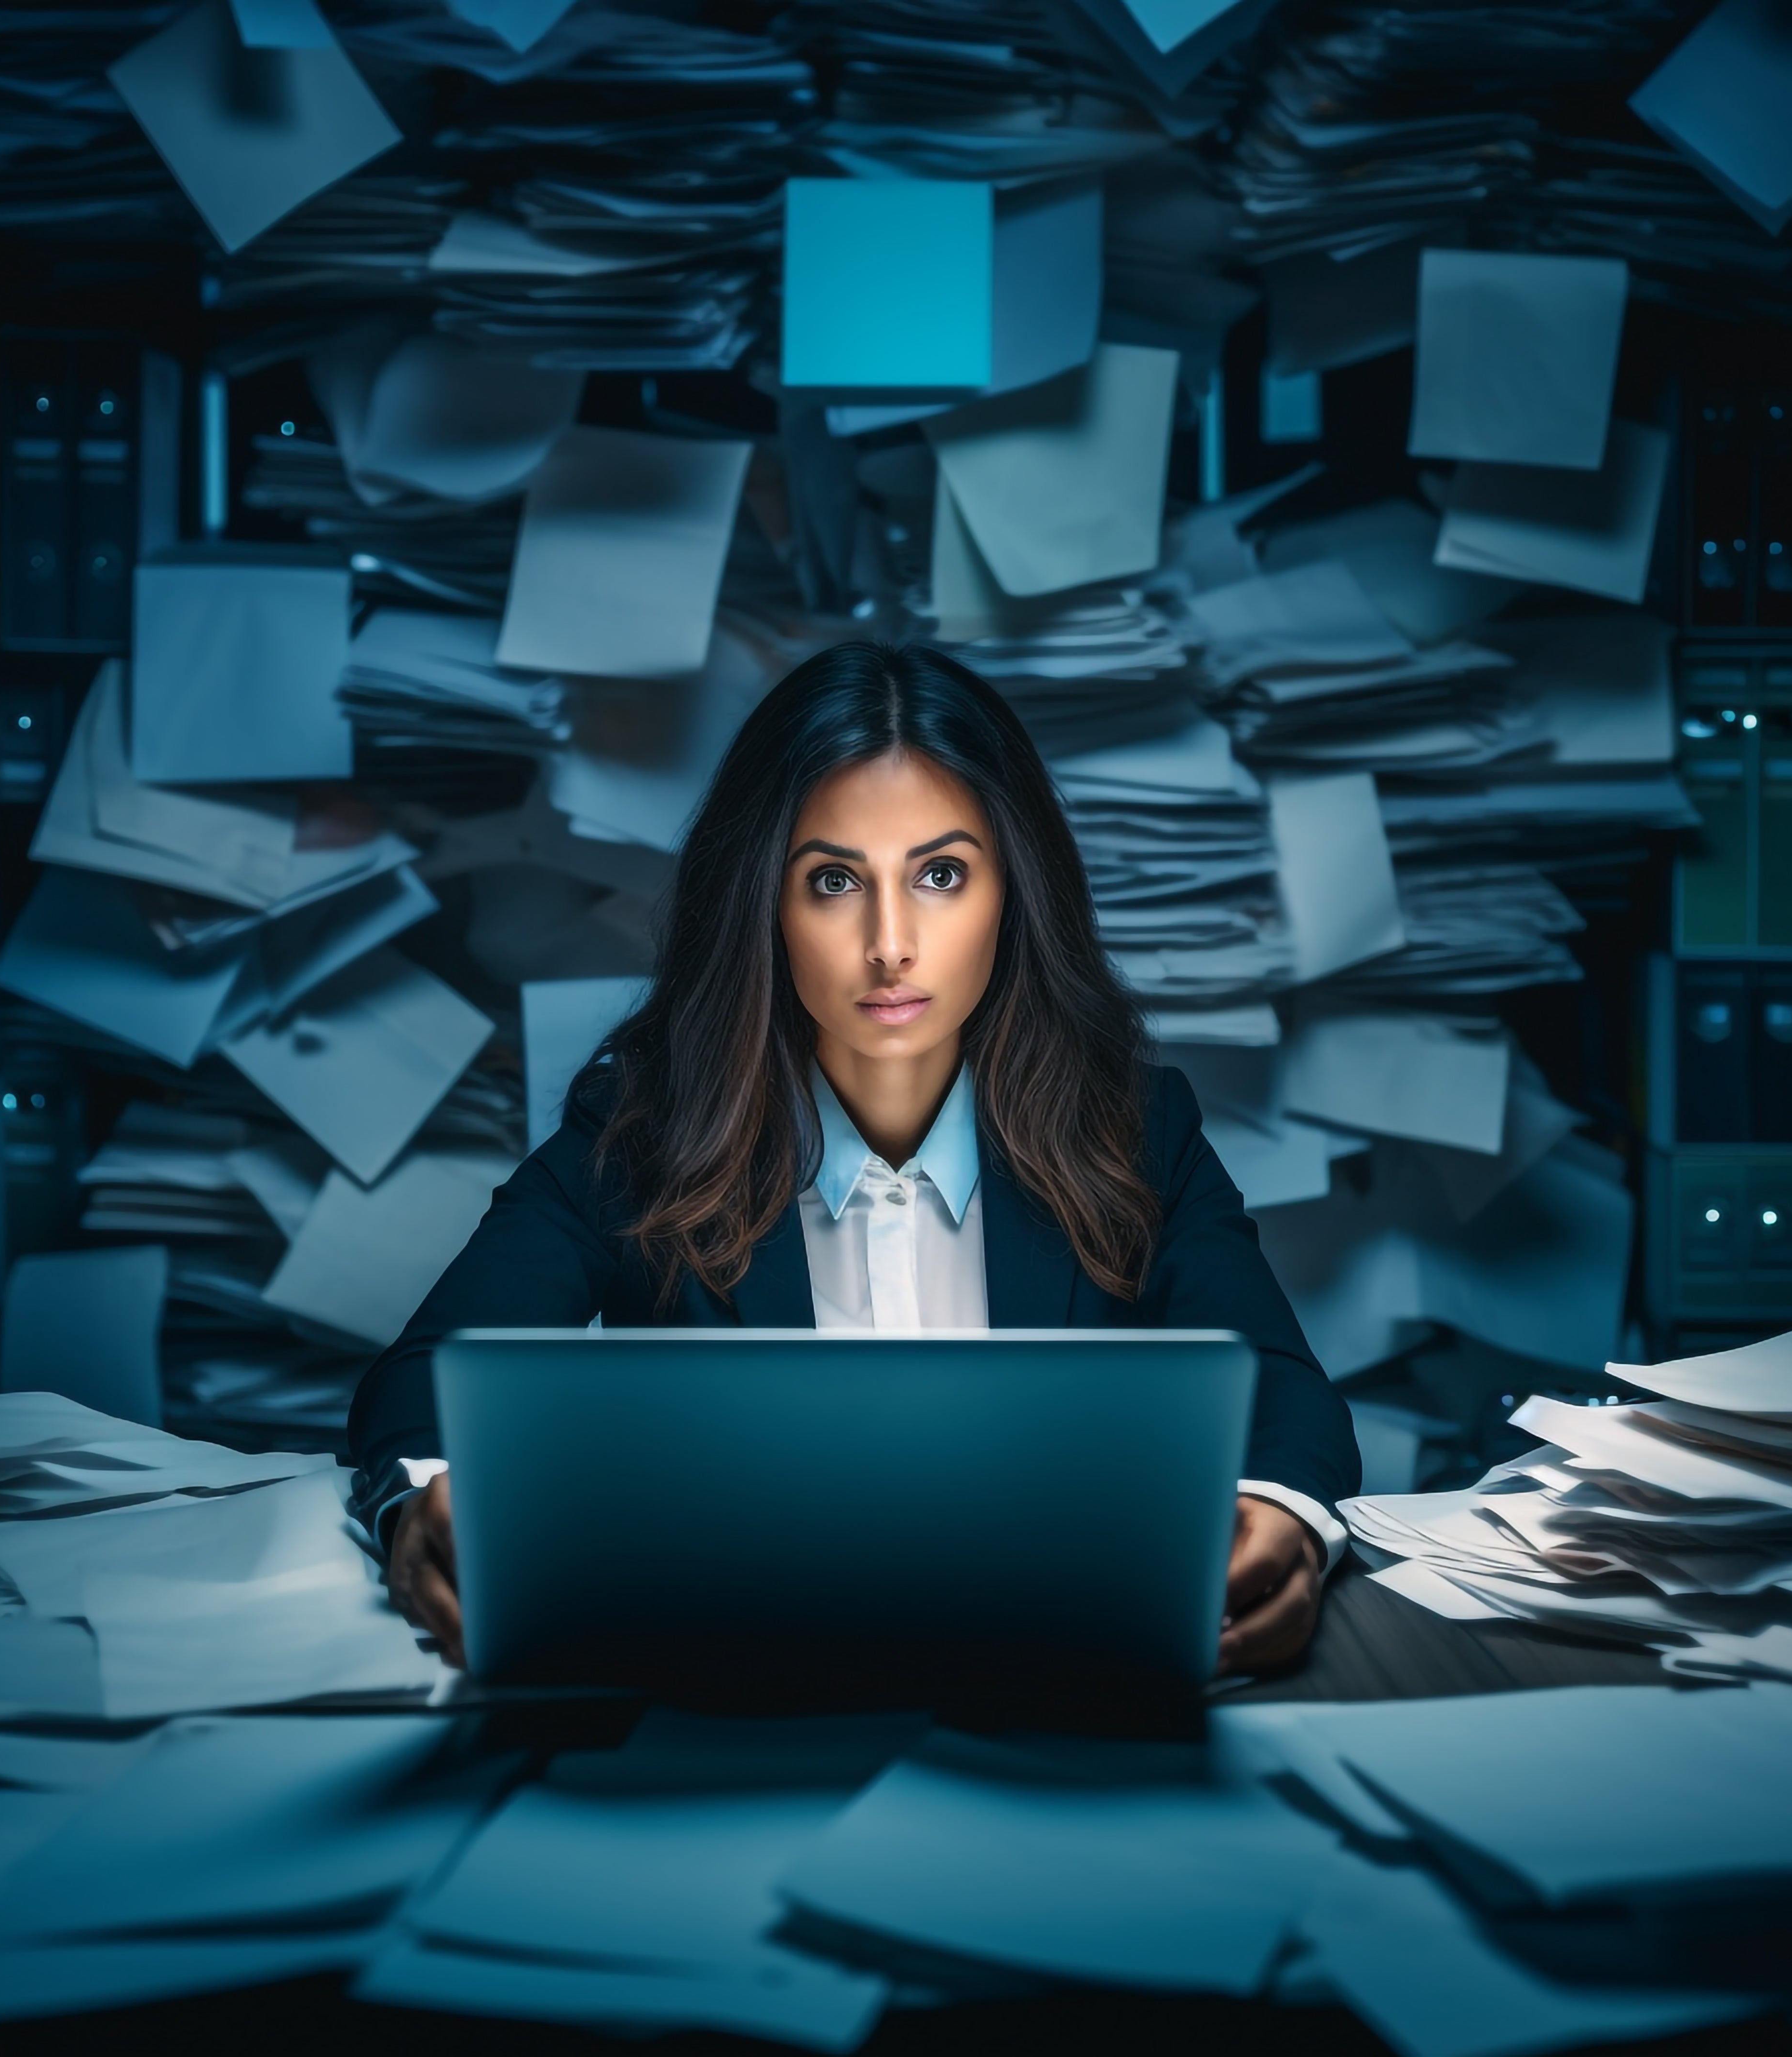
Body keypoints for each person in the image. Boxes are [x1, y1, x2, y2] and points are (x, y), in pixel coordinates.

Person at [350, 642, 1359, 1678]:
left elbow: (1281, 1387)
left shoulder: (1136, 1128)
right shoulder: (645, 1131)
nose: (889, 942)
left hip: (1053, 1692)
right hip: (736, 1694)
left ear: (1012, 895)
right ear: (765, 906)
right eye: (833, 880)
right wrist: (436, 1494)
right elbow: (426, 1372)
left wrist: (1278, 1513)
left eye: (940, 874)